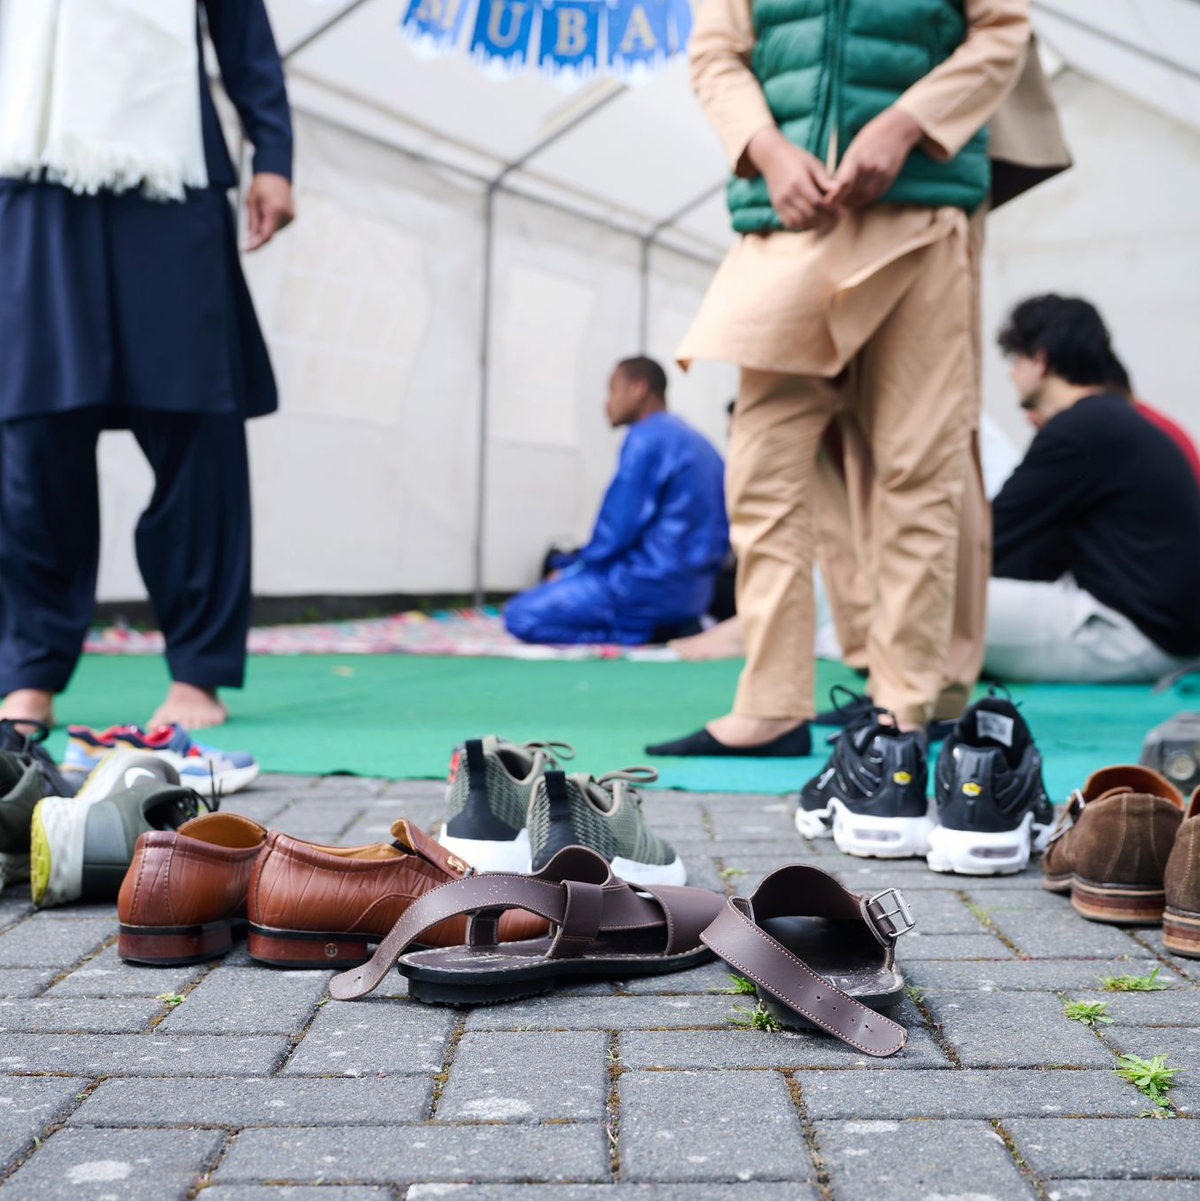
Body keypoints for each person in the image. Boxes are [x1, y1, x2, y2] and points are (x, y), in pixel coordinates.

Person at [649, 0, 1037, 760]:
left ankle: (902, 706)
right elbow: (716, 50)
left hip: (922, 215)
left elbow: (1004, 27)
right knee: (762, 465)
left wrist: (906, 125)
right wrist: (766, 149)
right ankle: (771, 702)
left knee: (915, 469)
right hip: (785, 224)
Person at [0, 0, 294, 730]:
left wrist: (274, 155)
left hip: (172, 176)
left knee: (196, 423)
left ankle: (197, 672)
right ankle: (28, 670)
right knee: (33, 431)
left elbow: (244, 31)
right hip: (30, 172)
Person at [987, 294, 1200, 681]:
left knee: (927, 602)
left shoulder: (1078, 429)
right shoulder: (1113, 420)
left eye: (1015, 359)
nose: (1010, 374)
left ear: (1041, 359)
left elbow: (991, 535)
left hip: (1136, 637)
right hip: (1169, 633)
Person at [505, 357, 728, 645]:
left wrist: (572, 568)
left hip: (641, 586)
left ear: (638, 388)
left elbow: (616, 529)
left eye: (612, 390)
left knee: (520, 614)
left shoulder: (645, 438)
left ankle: (637, 635)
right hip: (695, 595)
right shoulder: (700, 442)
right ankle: (666, 629)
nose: (606, 403)